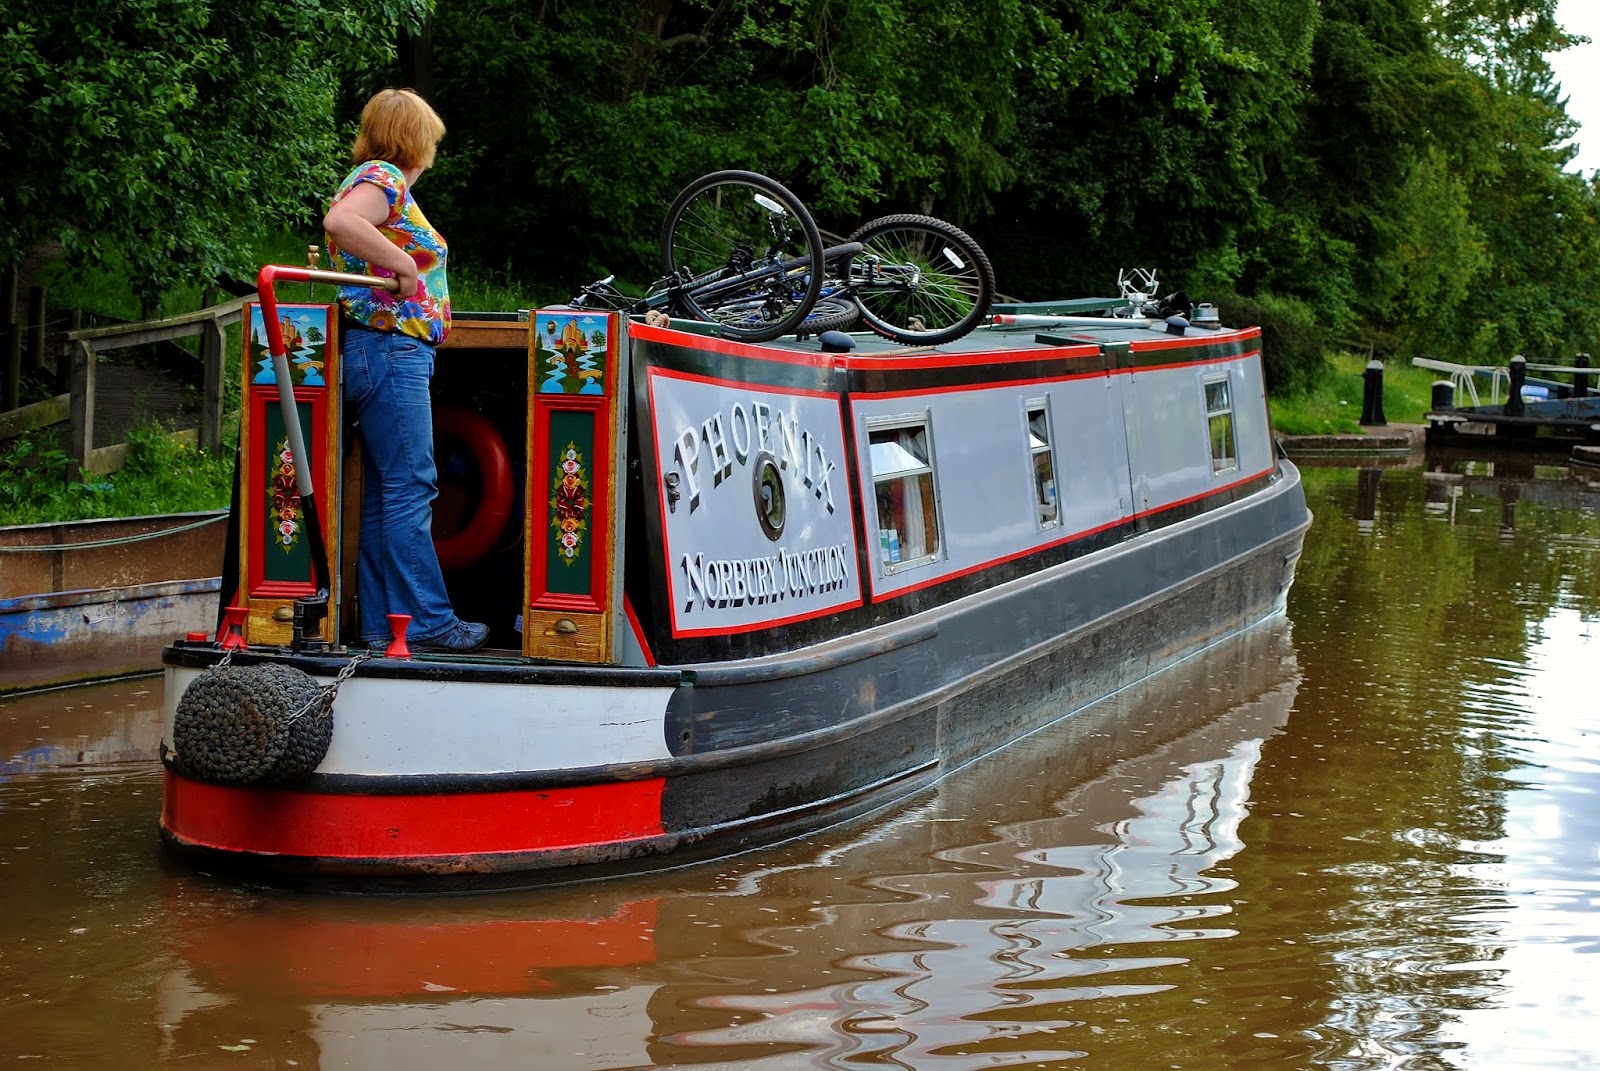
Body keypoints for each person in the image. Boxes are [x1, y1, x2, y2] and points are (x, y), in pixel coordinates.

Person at [323, 87, 489, 653]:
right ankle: (433, 622)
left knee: (385, 494)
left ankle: (380, 627)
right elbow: (342, 223)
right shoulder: (384, 179)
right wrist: (401, 263)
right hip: (392, 350)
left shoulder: (371, 179)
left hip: (379, 350)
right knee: (411, 487)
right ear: (417, 139)